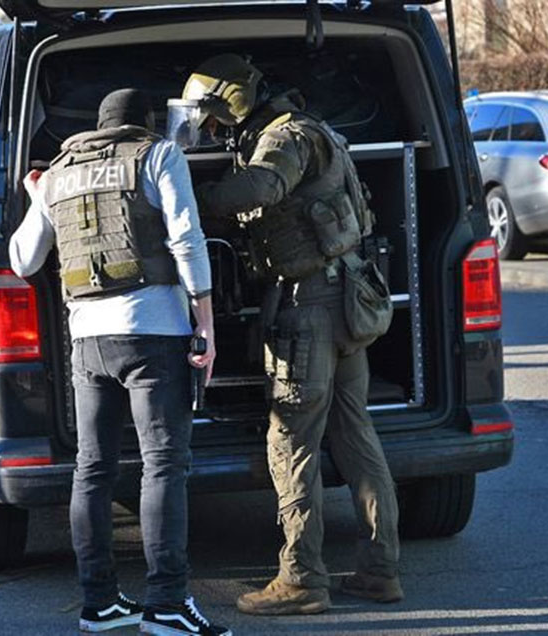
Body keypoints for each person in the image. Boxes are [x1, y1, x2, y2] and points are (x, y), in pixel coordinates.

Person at [180, 54, 401, 615]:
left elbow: (261, 187)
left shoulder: (285, 138)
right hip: (343, 300)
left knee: (291, 440)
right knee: (355, 437)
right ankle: (379, 571)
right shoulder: (312, 128)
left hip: (311, 307)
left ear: (229, 102)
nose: (212, 131)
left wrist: (186, 203)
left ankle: (302, 579)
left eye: (212, 119)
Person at [9, 89, 228, 636]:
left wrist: (36, 198)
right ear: (145, 123)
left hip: (87, 341)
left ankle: (99, 603)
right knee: (163, 464)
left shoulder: (59, 172)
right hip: (152, 333)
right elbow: (187, 238)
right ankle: (167, 604)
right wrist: (205, 322)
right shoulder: (156, 154)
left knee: (93, 469)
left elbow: (22, 260)